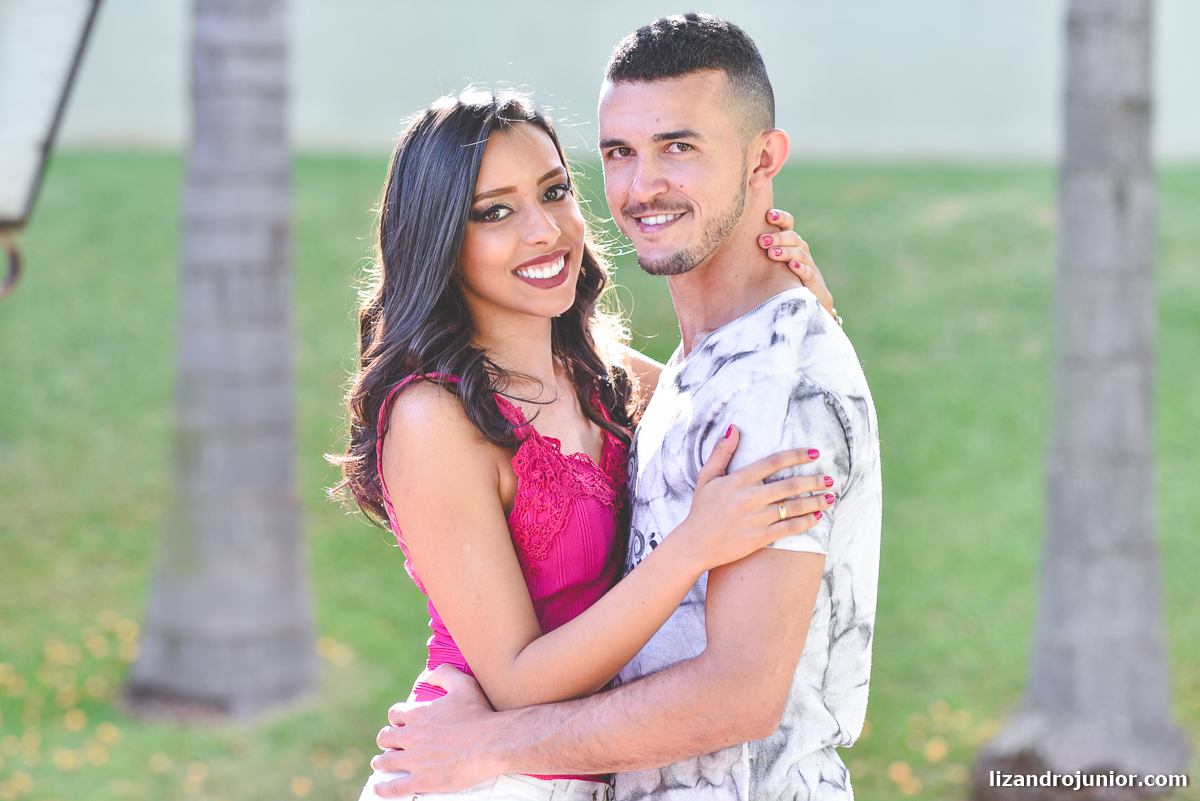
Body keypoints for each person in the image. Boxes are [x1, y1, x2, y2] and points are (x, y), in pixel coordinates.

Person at [370, 14, 882, 801]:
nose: (544, 231)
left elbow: (764, 372)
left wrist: (803, 314)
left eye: (553, 192)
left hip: (581, 771)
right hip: (482, 772)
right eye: (494, 211)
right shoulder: (433, 417)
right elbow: (512, 679)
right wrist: (694, 545)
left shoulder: (615, 381)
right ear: (443, 238)